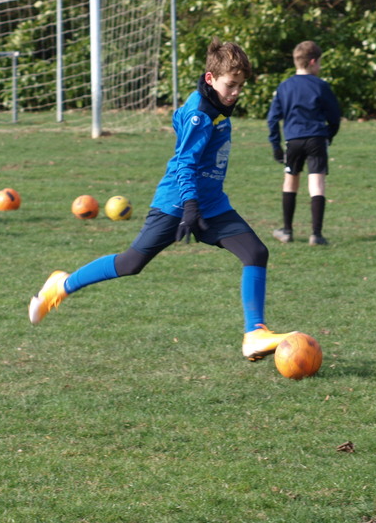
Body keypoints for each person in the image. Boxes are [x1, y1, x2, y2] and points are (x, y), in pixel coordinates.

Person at [29, 38, 295, 362]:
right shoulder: (200, 113)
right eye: (231, 85)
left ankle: (254, 334)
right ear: (211, 78)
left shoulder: (215, 105)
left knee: (255, 252)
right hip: (178, 203)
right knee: (131, 263)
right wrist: (190, 206)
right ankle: (61, 285)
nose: (236, 92)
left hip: (212, 204)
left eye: (240, 86)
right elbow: (185, 163)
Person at [266, 40, 341, 246]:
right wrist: (328, 135)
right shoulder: (321, 86)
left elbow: (272, 119)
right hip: (316, 138)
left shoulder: (285, 86)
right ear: (313, 62)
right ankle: (316, 234)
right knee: (317, 184)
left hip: (293, 139)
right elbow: (335, 117)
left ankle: (287, 231)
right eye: (320, 62)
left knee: (290, 181)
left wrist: (276, 145)